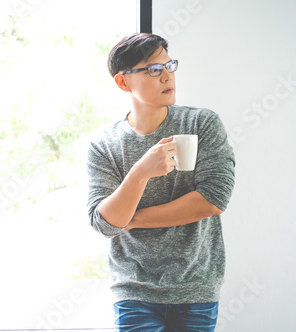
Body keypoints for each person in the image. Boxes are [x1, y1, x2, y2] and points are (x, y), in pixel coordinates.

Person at [87, 33, 235, 331]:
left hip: (196, 286)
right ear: (123, 82)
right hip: (133, 288)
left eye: (170, 66)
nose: (167, 76)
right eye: (154, 70)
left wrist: (130, 220)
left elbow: (213, 199)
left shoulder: (201, 123)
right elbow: (104, 223)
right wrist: (140, 172)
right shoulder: (104, 144)